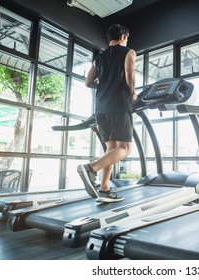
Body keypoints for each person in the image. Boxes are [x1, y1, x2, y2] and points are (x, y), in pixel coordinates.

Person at [77, 24, 137, 203]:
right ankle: (91, 168)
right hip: (119, 105)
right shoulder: (129, 52)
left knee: (111, 149)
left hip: (100, 107)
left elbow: (88, 82)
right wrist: (132, 93)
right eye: (126, 38)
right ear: (123, 37)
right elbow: (129, 74)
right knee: (125, 149)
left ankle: (104, 188)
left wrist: (103, 86)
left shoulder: (99, 58)